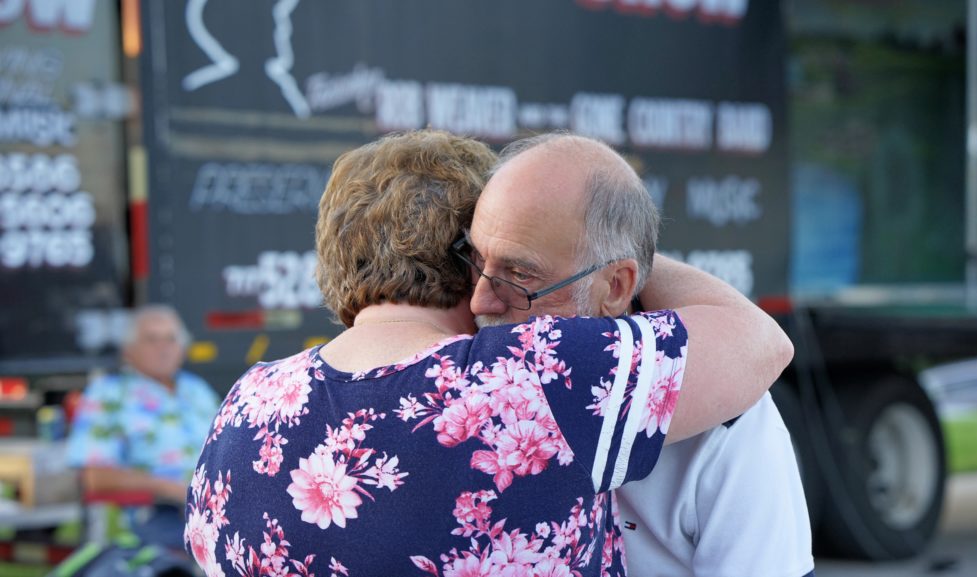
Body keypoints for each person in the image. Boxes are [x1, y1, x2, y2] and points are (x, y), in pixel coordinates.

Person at [184, 130, 791, 576]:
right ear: (456, 262)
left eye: (516, 271)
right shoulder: (530, 377)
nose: (485, 296)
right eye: (477, 259)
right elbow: (759, 341)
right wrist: (612, 260)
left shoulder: (244, 406)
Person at [465, 132, 814, 577]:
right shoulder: (456, 363)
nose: (478, 302)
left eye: (520, 274)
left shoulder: (727, 418)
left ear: (616, 288)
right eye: (474, 259)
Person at [66, 304, 221, 549]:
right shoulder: (108, 394)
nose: (163, 349)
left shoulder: (197, 390)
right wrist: (171, 489)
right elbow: (94, 477)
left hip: (218, 507)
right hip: (157, 513)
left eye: (171, 339)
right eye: (151, 340)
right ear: (128, 350)